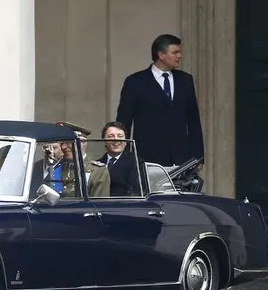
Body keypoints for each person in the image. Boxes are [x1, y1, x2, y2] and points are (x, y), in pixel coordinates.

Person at [115, 34, 204, 169]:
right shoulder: (135, 82)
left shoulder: (185, 80)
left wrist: (198, 156)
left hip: (182, 158)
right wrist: (123, 157)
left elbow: (194, 120)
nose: (179, 56)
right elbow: (124, 122)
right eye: (175, 52)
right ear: (161, 55)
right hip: (148, 158)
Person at [55, 122, 110, 198]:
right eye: (62, 143)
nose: (63, 147)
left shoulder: (98, 171)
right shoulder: (58, 168)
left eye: (68, 143)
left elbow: (98, 205)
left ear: (82, 143)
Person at [96, 121, 140, 197]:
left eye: (120, 136)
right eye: (111, 136)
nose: (116, 139)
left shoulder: (136, 162)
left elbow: (134, 192)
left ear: (126, 141)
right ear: (104, 141)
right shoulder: (96, 164)